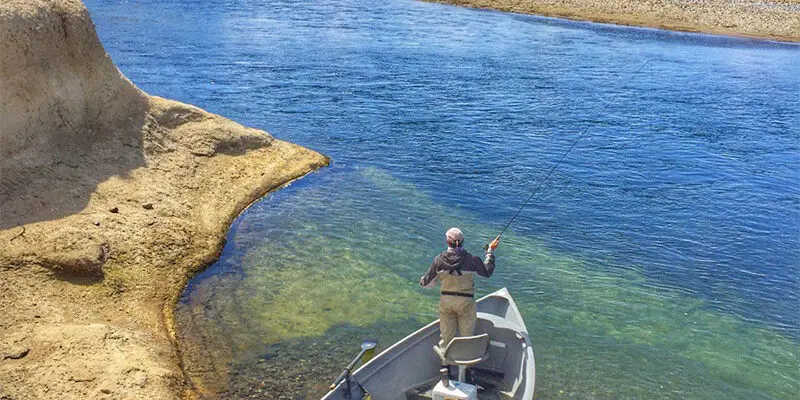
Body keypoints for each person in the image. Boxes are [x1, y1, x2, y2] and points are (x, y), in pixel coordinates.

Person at [419, 227, 499, 352]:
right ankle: (466, 365)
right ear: (462, 242)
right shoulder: (473, 260)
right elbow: (487, 272)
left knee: (446, 337)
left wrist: (425, 278)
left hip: (446, 302)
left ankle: (446, 364)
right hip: (466, 303)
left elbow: (425, 283)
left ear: (447, 242)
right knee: (467, 337)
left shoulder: (439, 260)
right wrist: (490, 251)